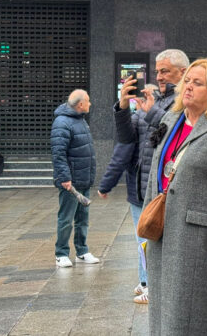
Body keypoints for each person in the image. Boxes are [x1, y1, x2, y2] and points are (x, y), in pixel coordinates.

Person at [144, 58, 207, 336]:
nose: (187, 87)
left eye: (197, 83)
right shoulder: (170, 120)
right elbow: (156, 171)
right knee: (163, 312)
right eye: (187, 81)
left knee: (194, 314)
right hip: (162, 232)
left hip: (199, 239)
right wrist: (146, 225)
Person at [98, 83, 158, 304]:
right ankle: (145, 281)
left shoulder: (164, 118)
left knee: (146, 240)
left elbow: (122, 153)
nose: (144, 101)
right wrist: (122, 108)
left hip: (151, 190)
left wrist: (106, 185)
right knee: (143, 239)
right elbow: (123, 148)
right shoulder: (137, 118)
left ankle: (149, 283)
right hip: (138, 191)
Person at [115, 50, 189, 205]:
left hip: (166, 192)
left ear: (183, 72)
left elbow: (178, 134)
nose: (158, 77)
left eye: (164, 71)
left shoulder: (187, 100)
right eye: (157, 72)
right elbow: (126, 138)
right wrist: (123, 108)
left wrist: (152, 112)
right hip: (141, 192)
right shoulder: (153, 99)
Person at [51, 89, 99, 268]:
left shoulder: (80, 120)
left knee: (82, 218)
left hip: (83, 178)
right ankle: (61, 253)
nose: (90, 104)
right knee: (66, 218)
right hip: (70, 181)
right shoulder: (62, 122)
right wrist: (64, 177)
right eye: (88, 101)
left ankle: (82, 251)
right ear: (80, 104)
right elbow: (58, 153)